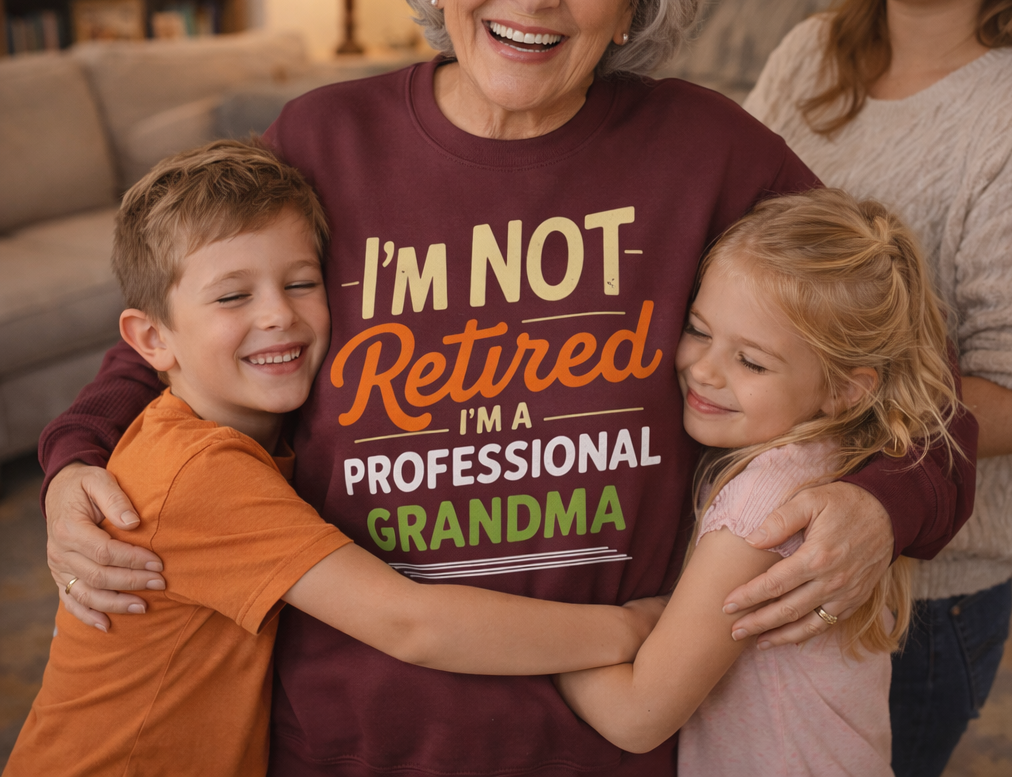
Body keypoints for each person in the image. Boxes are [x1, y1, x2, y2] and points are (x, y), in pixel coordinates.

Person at [38, 0, 976, 777]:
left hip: (611, 743)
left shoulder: (704, 153)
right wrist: (76, 462)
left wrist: (886, 504)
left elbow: (911, 380)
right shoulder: (326, 138)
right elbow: (182, 330)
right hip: (352, 743)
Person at [6, 139, 662, 777]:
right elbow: (411, 624)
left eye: (301, 283)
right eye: (233, 296)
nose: (277, 317)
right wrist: (632, 629)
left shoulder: (247, 433)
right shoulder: (197, 471)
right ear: (151, 339)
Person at [743, 0, 1012, 774]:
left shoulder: (1009, 118)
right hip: (758, 537)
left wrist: (831, 408)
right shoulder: (810, 54)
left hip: (915, 591)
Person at [556, 189, 961, 777]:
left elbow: (637, 716)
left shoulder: (764, 506)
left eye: (752, 362)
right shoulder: (834, 452)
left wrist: (535, 628)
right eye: (698, 329)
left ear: (847, 389)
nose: (705, 368)